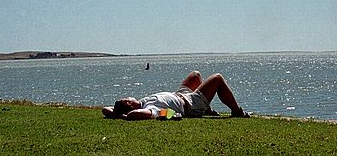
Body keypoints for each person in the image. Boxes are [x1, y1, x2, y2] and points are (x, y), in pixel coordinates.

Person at [102, 70, 250, 120]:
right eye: (127, 98)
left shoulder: (141, 102)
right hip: (190, 104)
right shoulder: (149, 108)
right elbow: (138, 114)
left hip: (180, 94)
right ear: (129, 104)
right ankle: (237, 111)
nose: (128, 96)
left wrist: (118, 114)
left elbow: (105, 109)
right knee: (217, 78)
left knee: (195, 75)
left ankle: (208, 109)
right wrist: (126, 116)